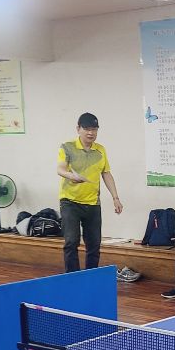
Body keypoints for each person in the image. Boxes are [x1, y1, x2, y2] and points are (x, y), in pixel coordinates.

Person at [56, 112, 123, 273]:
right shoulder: (67, 147)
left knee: (94, 244)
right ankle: (73, 278)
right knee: (71, 242)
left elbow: (106, 173)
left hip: (93, 202)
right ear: (78, 129)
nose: (91, 133)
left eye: (94, 129)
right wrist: (71, 176)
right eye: (87, 129)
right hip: (70, 201)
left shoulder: (100, 150)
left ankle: (90, 277)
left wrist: (115, 198)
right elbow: (60, 169)